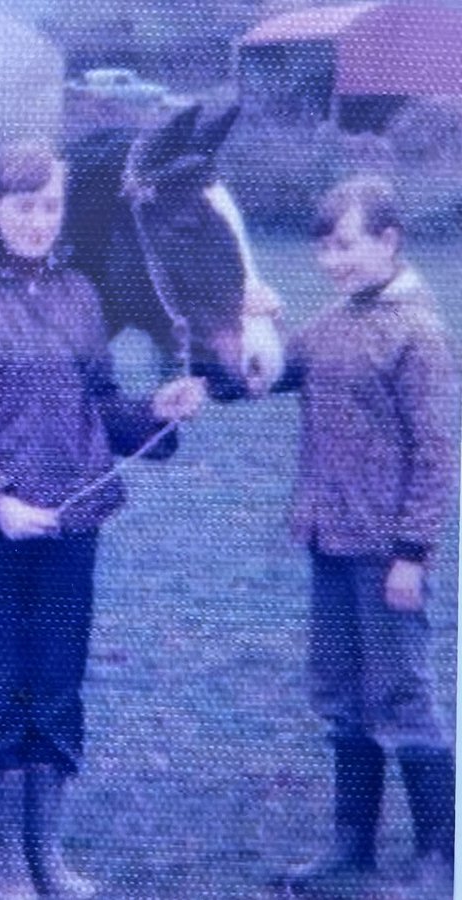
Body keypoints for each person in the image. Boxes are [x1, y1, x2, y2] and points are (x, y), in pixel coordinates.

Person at [0, 138, 206, 897]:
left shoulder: (79, 294)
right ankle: (5, 863)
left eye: (51, 206)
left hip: (74, 523)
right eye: (25, 205)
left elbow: (97, 407)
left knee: (59, 685)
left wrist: (153, 412)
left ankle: (46, 855)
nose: (40, 221)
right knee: (0, 682)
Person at [273, 176, 458, 893]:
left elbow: (437, 454)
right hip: (328, 541)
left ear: (388, 240)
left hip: (387, 554)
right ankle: (351, 848)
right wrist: (240, 335)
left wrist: (412, 553)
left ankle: (440, 859)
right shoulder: (332, 322)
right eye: (323, 247)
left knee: (403, 695)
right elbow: (269, 370)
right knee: (343, 696)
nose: (331, 261)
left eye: (344, 245)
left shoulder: (419, 333)